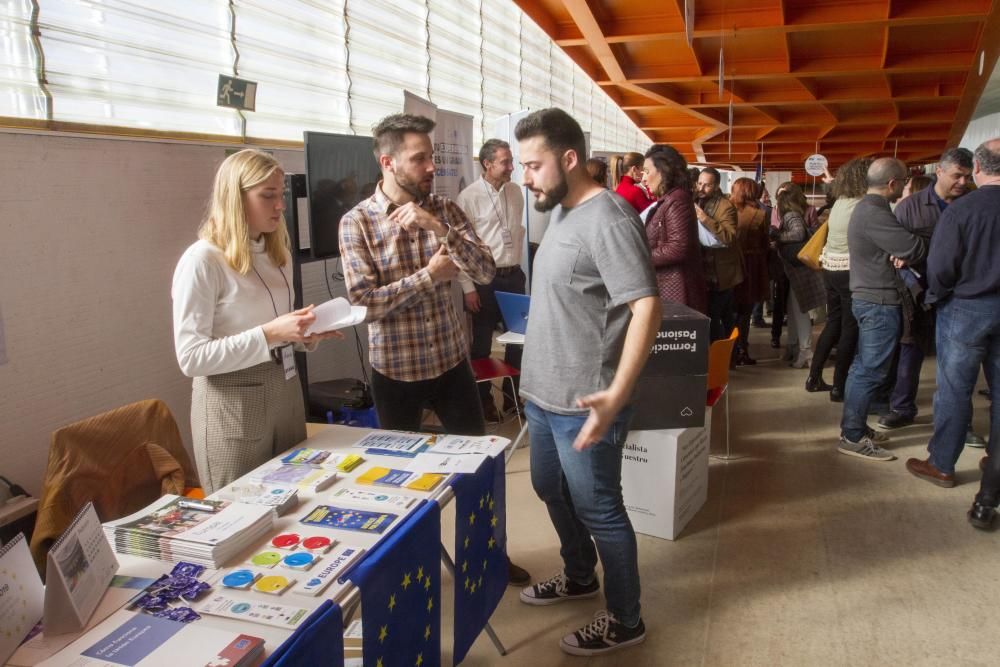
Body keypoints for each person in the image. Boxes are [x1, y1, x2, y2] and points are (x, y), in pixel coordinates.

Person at [339, 115, 530, 586]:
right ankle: (408, 573)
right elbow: (363, 305)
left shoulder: (444, 207)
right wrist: (426, 277)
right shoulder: (357, 223)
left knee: (481, 471)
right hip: (396, 375)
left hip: (450, 365)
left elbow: (484, 270)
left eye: (431, 156)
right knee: (398, 484)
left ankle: (489, 555)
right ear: (388, 162)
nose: (431, 166)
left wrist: (437, 228)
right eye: (419, 158)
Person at [514, 108, 661, 656]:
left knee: (601, 508)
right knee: (548, 488)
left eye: (534, 165)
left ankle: (627, 619)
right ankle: (579, 575)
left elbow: (646, 305)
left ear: (569, 159)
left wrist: (618, 392)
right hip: (542, 393)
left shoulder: (611, 217)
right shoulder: (560, 210)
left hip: (586, 399)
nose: (525, 176)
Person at [172, 149, 343, 493]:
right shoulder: (203, 260)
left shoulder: (275, 251)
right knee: (239, 509)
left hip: (285, 390)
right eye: (267, 196)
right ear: (234, 199)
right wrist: (269, 334)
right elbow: (191, 358)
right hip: (234, 404)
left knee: (296, 497)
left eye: (281, 195)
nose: (280, 205)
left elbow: (276, 329)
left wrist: (303, 335)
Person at [905, 139, 999, 497]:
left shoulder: (961, 210)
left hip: (966, 306)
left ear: (977, 168)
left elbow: (941, 267)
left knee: (955, 389)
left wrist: (935, 296)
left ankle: (942, 463)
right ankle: (995, 459)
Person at [878, 148, 972, 431]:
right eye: (957, 175)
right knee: (910, 350)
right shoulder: (910, 207)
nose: (962, 182)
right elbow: (896, 249)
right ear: (940, 171)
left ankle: (959, 421)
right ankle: (902, 408)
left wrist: (919, 250)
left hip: (960, 293)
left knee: (957, 360)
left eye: (967, 177)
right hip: (917, 291)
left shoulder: (971, 204)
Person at [838, 158, 926, 462]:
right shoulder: (874, 212)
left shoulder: (868, 209)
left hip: (872, 298)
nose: (904, 187)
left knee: (863, 368)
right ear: (893, 184)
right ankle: (852, 436)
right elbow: (913, 248)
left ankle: (854, 428)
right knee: (870, 372)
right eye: (903, 182)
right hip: (878, 301)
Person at [456, 139, 526, 422]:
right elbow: (461, 247)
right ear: (487, 164)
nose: (511, 167)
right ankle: (483, 401)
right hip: (484, 280)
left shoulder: (516, 192)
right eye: (505, 162)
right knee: (482, 344)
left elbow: (516, 231)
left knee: (519, 341)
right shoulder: (469, 197)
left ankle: (512, 399)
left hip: (514, 277)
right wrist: (468, 287)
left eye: (511, 161)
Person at [807, 157, 871, 398]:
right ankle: (839, 386)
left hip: (830, 267)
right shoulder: (863, 203)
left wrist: (831, 180)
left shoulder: (841, 202)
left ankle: (813, 377)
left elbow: (833, 190)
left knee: (833, 323)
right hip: (849, 269)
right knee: (849, 328)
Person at [639, 144, 707, 312]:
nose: (644, 179)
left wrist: (639, 257)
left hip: (678, 293)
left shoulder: (676, 200)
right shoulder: (672, 198)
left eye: (647, 171)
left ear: (663, 171)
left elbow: (678, 248)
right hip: (674, 290)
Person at [772, 185, 825, 368]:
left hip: (799, 271)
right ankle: (796, 347)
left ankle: (805, 351)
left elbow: (798, 234)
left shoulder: (791, 215)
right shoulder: (797, 214)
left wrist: (778, 236)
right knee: (794, 309)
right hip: (798, 270)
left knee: (799, 311)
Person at [695, 167, 743, 341]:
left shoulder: (726, 207)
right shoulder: (697, 199)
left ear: (716, 186)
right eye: (699, 183)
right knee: (714, 317)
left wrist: (705, 219)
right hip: (703, 272)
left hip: (720, 275)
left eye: (707, 185)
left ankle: (726, 358)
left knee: (718, 319)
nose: (701, 188)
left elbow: (729, 237)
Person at [730, 177, 770, 365]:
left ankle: (728, 350)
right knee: (744, 311)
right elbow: (764, 243)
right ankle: (741, 349)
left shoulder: (724, 209)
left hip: (728, 265)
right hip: (751, 265)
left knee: (729, 311)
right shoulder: (759, 215)